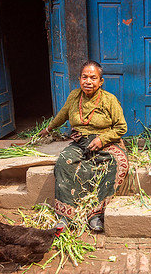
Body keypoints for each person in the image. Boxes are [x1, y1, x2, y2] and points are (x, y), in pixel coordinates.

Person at [39, 60, 128, 231]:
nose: (88, 81)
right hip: (80, 142)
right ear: (79, 79)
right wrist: (48, 128)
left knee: (119, 162)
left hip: (105, 142)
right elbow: (63, 114)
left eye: (93, 78)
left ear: (100, 82)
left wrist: (103, 139)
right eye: (84, 77)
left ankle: (96, 214)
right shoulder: (74, 96)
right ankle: (65, 216)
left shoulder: (109, 100)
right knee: (63, 162)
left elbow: (121, 127)